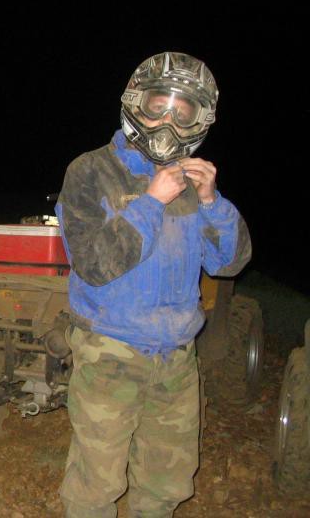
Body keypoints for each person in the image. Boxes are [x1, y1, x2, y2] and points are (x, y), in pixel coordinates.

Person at [54, 51, 251, 517]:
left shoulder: (191, 184)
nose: (167, 122)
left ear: (200, 120)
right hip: (110, 353)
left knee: (167, 484)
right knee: (96, 484)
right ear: (135, 103)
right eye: (158, 106)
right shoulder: (91, 171)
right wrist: (151, 201)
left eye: (182, 112)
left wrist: (212, 202)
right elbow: (94, 264)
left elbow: (229, 264)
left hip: (177, 358)